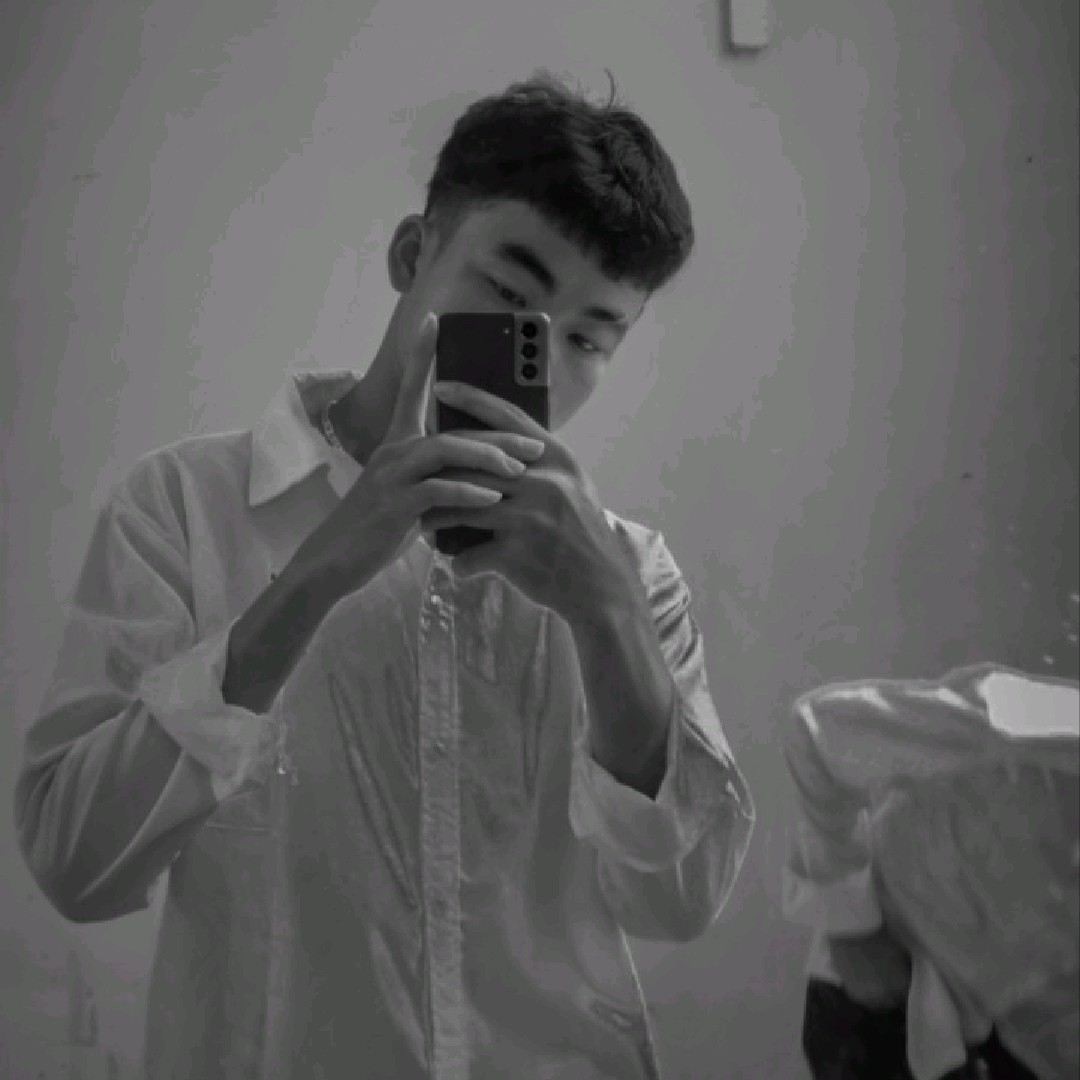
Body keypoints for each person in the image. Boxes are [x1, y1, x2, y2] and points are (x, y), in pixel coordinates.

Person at [14, 73, 755, 1079]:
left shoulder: (628, 569)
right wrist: (311, 578)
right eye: (509, 295)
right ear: (414, 254)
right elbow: (75, 865)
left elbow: (680, 902)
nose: (540, 356)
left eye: (588, 337)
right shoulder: (181, 508)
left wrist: (609, 615)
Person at [781, 661, 1079, 1080]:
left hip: (1007, 1041)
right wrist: (850, 927)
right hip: (884, 999)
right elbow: (817, 732)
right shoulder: (1027, 721)